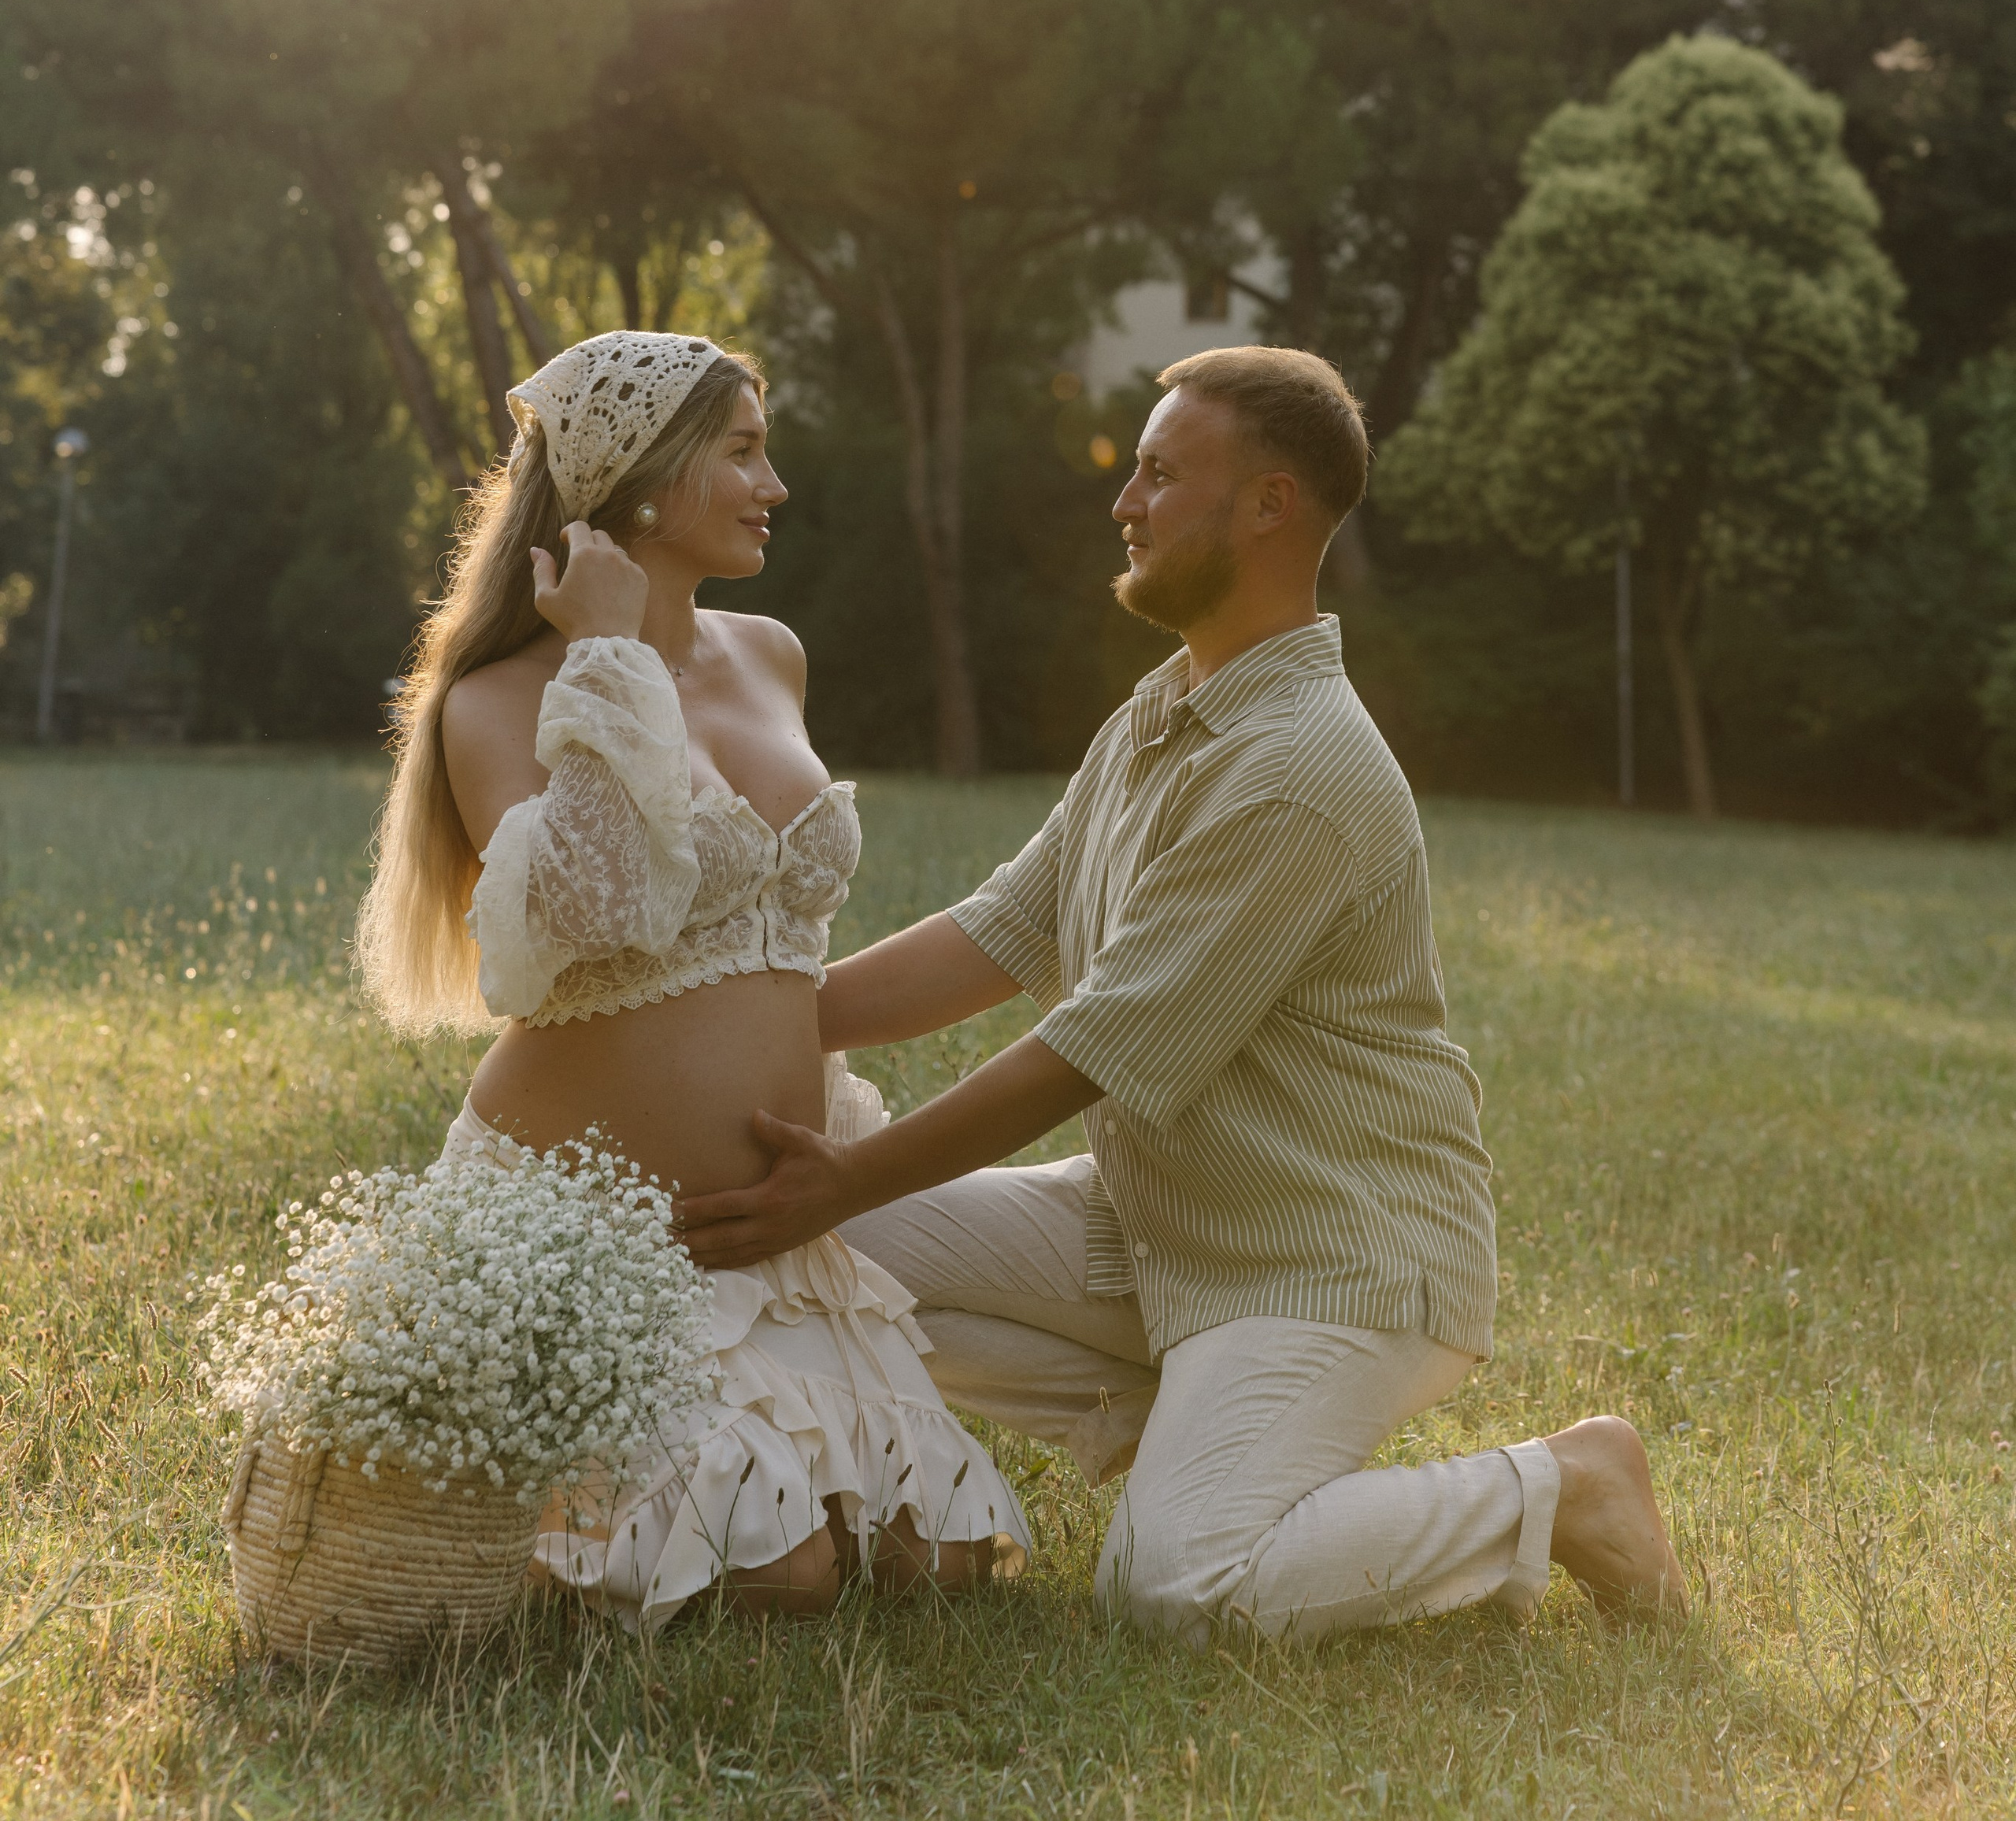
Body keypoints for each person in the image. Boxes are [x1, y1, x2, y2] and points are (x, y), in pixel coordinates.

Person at [680, 345, 1687, 1645]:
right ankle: (1200, 1422)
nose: (1126, 500)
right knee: (823, 1266)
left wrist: (841, 1174)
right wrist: (746, 1013)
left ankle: (1567, 1485)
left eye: (1162, 472)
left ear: (1268, 505)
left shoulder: (1303, 766)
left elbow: (1084, 1049)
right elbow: (1007, 928)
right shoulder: (1164, 708)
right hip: (1163, 1224)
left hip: (1333, 1261)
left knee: (1171, 1589)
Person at [354, 328, 1027, 1625]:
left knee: (937, 1569)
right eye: (744, 452)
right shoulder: (498, 699)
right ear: (647, 480)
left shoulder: (773, 651)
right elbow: (595, 913)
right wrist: (608, 658)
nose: (774, 484)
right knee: (780, 1582)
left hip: (777, 1228)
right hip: (595, 1235)